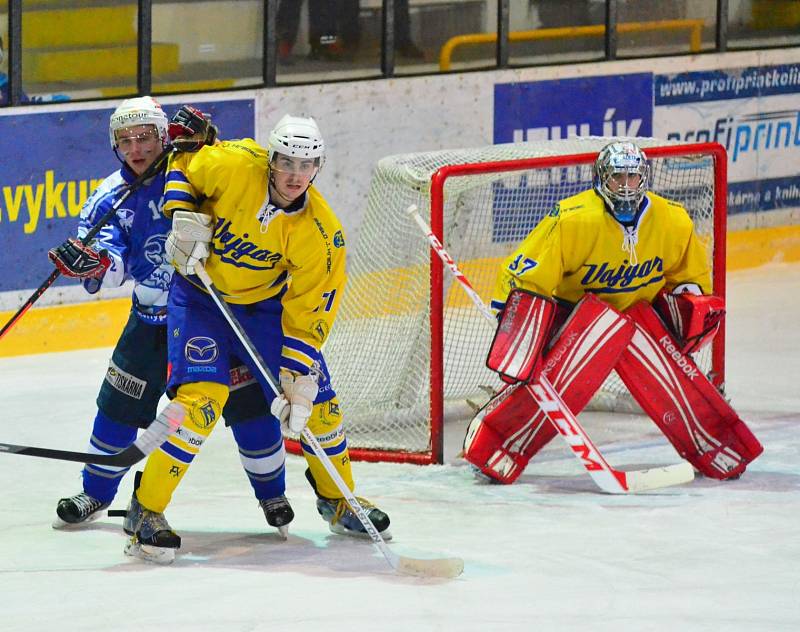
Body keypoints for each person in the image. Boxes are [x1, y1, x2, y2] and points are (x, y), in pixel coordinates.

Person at [122, 110, 390, 560]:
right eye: (287, 162)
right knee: (199, 406)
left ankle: (339, 499)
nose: (295, 175)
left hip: (264, 309)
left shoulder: (322, 236)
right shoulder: (232, 163)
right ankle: (145, 510)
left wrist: (297, 383)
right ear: (272, 158)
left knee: (319, 406)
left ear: (318, 167)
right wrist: (183, 216)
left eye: (306, 166)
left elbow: (308, 314)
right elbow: (182, 163)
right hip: (200, 299)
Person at [49, 98, 295, 558]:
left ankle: (272, 493)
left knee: (250, 409)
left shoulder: (194, 170)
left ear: (165, 137)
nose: (136, 147)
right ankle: (97, 494)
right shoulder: (108, 198)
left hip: (213, 315)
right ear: (114, 145)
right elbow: (108, 259)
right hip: (153, 321)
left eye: (145, 136)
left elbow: (243, 176)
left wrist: (211, 139)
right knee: (118, 411)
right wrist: (98, 262)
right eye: (125, 139)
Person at [463, 140, 763, 485]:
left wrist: (688, 306)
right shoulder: (572, 220)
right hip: (577, 318)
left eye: (632, 177)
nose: (624, 185)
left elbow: (690, 278)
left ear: (644, 178)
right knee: (553, 386)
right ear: (600, 178)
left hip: (639, 316)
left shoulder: (672, 220)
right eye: (617, 177)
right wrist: (518, 329)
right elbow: (525, 276)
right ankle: (492, 449)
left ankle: (721, 447)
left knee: (679, 381)